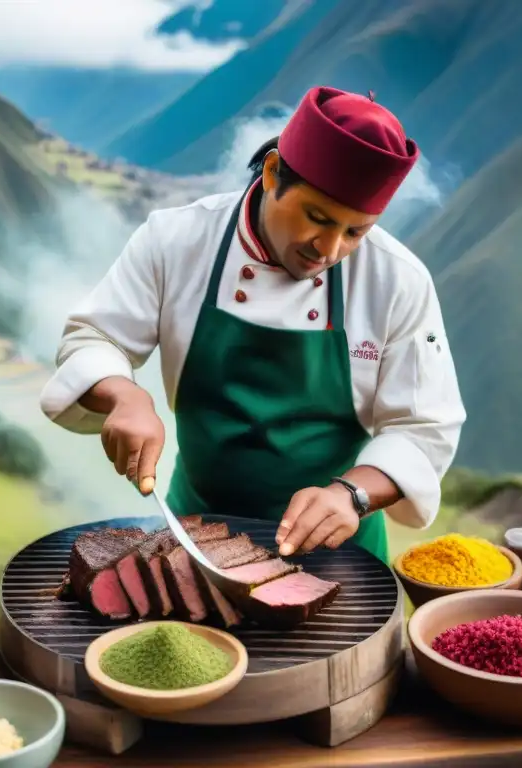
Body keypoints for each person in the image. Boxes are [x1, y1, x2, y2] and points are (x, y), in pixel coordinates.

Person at [40, 86, 466, 564]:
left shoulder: (399, 281)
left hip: (336, 550)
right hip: (195, 535)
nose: (327, 249)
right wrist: (125, 395)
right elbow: (95, 336)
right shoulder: (177, 239)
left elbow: (423, 427)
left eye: (354, 232)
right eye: (316, 217)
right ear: (270, 175)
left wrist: (352, 495)